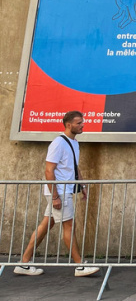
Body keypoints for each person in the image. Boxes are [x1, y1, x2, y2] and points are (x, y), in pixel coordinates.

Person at [15, 111, 100, 277]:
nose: (82, 125)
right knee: (69, 227)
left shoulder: (74, 143)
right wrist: (55, 196)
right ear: (69, 125)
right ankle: (79, 265)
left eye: (82, 122)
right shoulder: (58, 143)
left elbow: (74, 167)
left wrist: (81, 185)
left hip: (64, 190)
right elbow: (49, 170)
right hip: (59, 192)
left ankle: (24, 263)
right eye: (79, 123)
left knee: (45, 226)